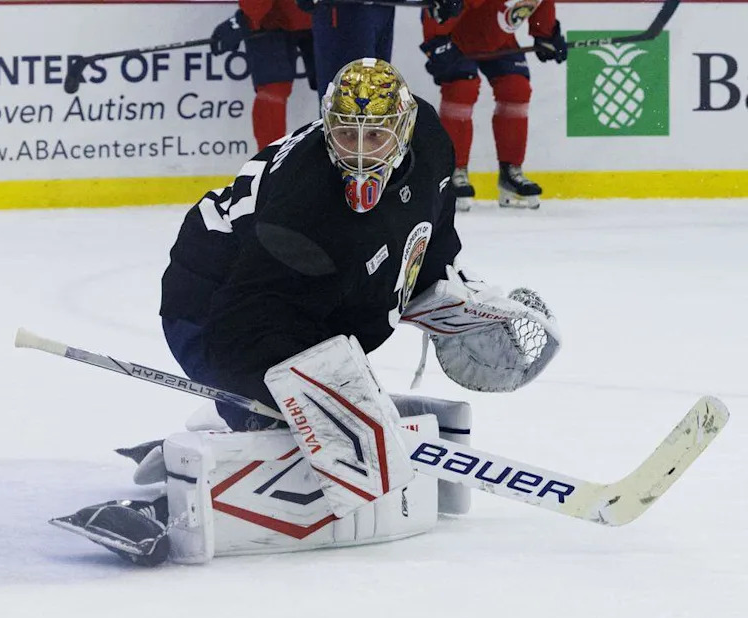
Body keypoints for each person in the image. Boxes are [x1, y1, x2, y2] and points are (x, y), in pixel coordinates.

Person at [51, 58, 560, 566]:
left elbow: (427, 231)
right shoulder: (307, 205)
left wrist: (445, 290)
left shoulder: (430, 140)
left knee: (333, 398)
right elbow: (244, 323)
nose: (358, 154)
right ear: (325, 126)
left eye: (375, 137)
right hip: (211, 307)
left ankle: (241, 419)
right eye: (344, 135)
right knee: (320, 419)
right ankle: (196, 474)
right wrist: (287, 404)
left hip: (294, 294)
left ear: (404, 129)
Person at [420, 0, 567, 210]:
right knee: (462, 87)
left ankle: (511, 171)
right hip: (457, 35)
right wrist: (435, 42)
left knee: (516, 88)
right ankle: (452, 171)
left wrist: (546, 35)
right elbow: (444, 8)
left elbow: (543, 6)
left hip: (499, 39)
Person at [295, 0, 463, 102]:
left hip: (381, 8)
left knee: (376, 102)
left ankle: (367, 159)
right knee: (348, 105)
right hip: (345, 9)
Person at [209, 0, 315, 150]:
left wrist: (249, 16)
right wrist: (252, 15)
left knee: (337, 86)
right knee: (274, 89)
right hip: (284, 15)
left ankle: (269, 162)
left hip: (324, 12)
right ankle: (269, 161)